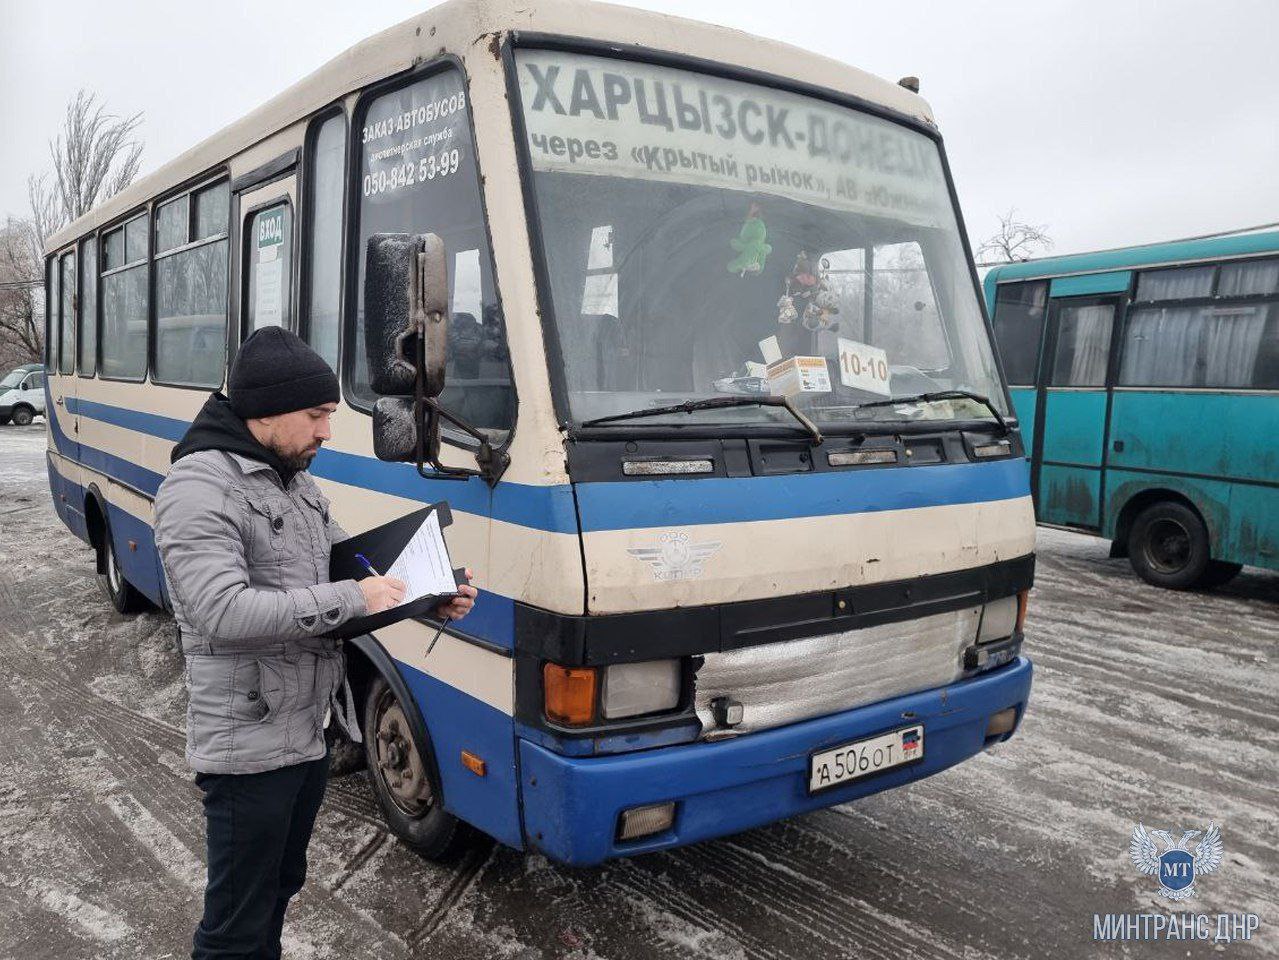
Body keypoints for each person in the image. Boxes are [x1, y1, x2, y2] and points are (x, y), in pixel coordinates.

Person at [154, 327, 476, 959]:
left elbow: (345, 575)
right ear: (266, 410)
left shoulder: (296, 483)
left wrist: (424, 597)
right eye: (317, 415)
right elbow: (222, 611)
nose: (327, 431)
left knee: (278, 889)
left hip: (305, 734)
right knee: (235, 922)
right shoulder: (198, 489)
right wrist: (360, 597)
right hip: (246, 748)